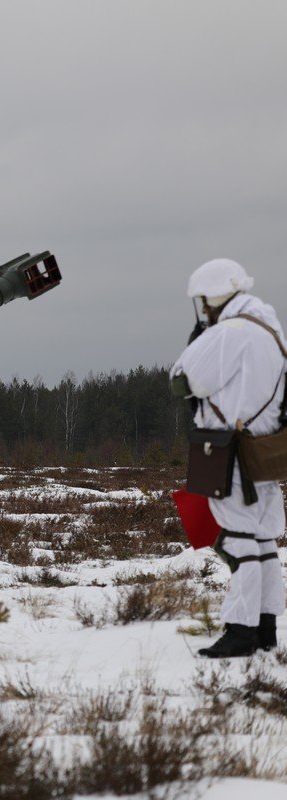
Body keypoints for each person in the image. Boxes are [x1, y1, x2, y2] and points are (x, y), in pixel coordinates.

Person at [170, 258, 285, 658]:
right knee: (263, 539)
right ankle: (266, 628)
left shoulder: (228, 333)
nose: (203, 308)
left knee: (238, 540)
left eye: (204, 300)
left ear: (215, 296)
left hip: (228, 450)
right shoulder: (271, 329)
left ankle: (241, 631)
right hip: (264, 451)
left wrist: (196, 341)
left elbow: (183, 380)